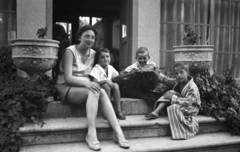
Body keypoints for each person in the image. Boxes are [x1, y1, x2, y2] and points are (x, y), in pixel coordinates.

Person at [55, 25, 129, 151]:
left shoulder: (94, 54)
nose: (90, 39)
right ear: (79, 37)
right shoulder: (70, 51)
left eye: (93, 37)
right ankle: (91, 132)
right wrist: (87, 84)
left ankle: (118, 132)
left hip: (85, 89)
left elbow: (101, 70)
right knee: (94, 90)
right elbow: (67, 78)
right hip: (66, 87)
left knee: (100, 91)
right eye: (87, 36)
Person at [146, 62, 201, 140]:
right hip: (181, 102)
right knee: (169, 93)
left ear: (187, 72)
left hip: (191, 107)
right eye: (176, 73)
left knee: (173, 107)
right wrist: (156, 73)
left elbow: (189, 102)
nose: (178, 75)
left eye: (181, 72)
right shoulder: (179, 82)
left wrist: (173, 98)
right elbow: (167, 80)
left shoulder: (192, 87)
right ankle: (156, 112)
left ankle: (180, 133)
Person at [90, 48, 126, 120]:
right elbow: (95, 82)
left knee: (116, 85)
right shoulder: (96, 68)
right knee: (106, 86)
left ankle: (118, 110)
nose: (106, 59)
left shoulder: (111, 67)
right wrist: (105, 81)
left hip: (110, 90)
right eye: (102, 57)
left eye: (107, 56)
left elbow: (117, 77)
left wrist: (125, 76)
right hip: (99, 90)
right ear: (97, 60)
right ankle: (107, 111)